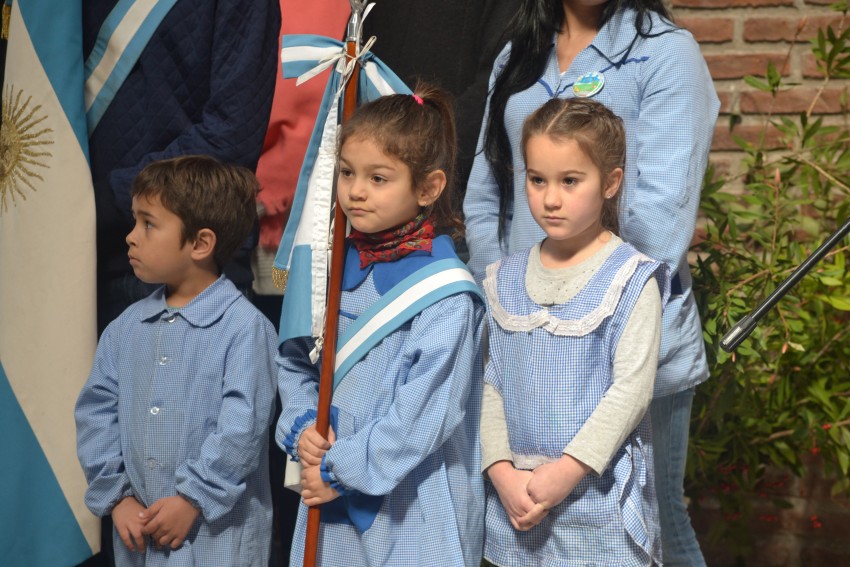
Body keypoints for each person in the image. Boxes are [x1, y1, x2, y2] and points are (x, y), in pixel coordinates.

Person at [463, 1, 719, 564]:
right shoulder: (520, 51)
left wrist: (576, 314)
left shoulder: (665, 53)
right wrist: (506, 294)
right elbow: (487, 190)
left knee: (655, 517)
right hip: (522, 334)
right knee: (536, 524)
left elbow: (662, 215)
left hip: (617, 337)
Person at [276, 85, 485, 566]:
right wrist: (304, 425)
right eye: (347, 172)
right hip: (327, 496)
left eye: (379, 177)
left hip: (411, 507)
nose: (356, 191)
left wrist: (338, 471)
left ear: (428, 188)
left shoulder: (447, 296)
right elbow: (292, 360)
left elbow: (419, 420)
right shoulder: (328, 269)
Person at [481, 97, 667, 565]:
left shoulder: (630, 279)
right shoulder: (501, 279)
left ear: (610, 183)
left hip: (593, 500)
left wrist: (567, 470)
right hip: (517, 502)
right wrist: (502, 472)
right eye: (537, 179)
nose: (550, 198)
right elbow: (486, 382)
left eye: (570, 181)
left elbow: (631, 391)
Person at [75, 156, 278, 566]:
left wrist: (193, 498)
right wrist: (118, 499)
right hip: (140, 540)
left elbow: (243, 427)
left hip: (220, 542)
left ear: (201, 244)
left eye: (148, 224)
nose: (131, 237)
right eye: (134, 222)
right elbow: (96, 413)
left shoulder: (244, 330)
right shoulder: (125, 328)